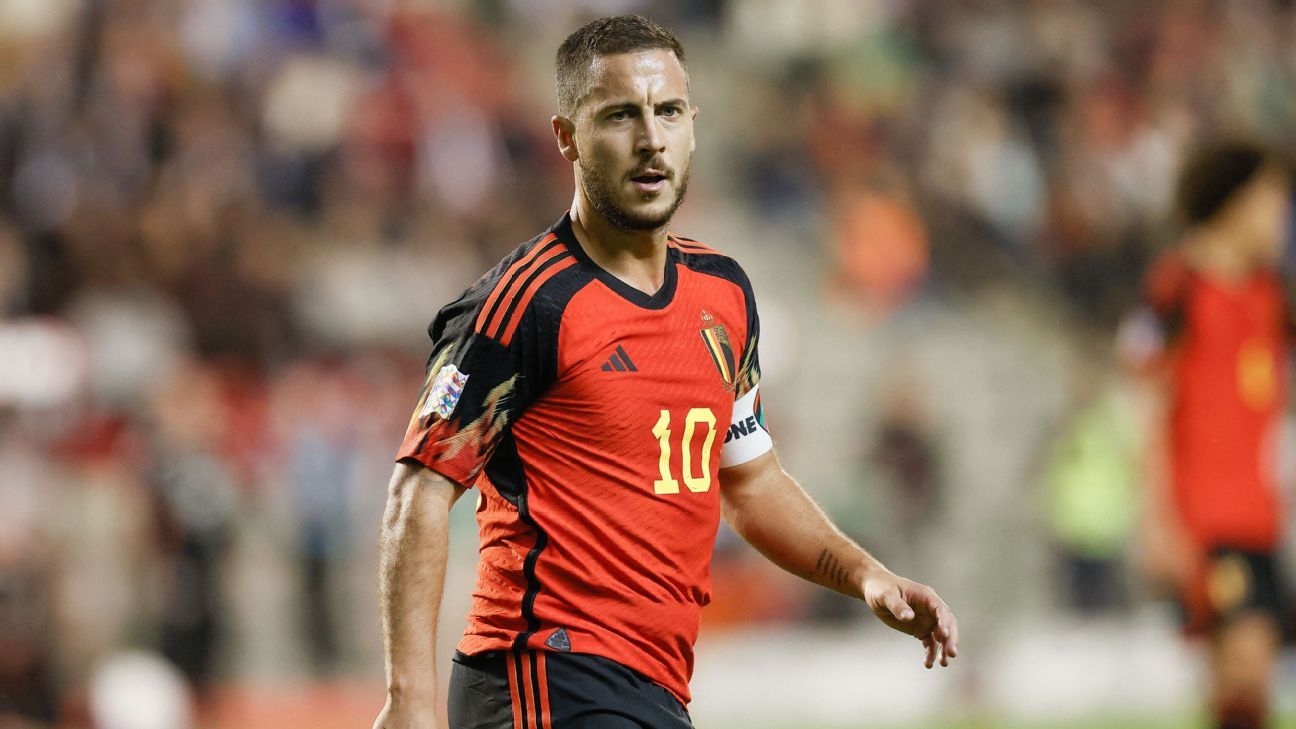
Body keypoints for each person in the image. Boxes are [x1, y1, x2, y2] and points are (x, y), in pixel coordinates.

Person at [372, 15, 958, 729]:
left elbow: (751, 483)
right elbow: (419, 490)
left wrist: (867, 575)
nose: (651, 138)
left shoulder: (724, 294)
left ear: (693, 126)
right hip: (542, 674)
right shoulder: (525, 303)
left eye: (669, 112)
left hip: (651, 686)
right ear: (567, 136)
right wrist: (409, 700)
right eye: (620, 115)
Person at [1136, 140, 1293, 729]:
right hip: (1206, 519)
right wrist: (1157, 517)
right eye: (1272, 199)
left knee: (1245, 676)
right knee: (1246, 656)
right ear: (1237, 201)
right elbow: (1148, 400)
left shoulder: (1271, 293)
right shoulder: (1177, 286)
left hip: (1262, 516)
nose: (1281, 215)